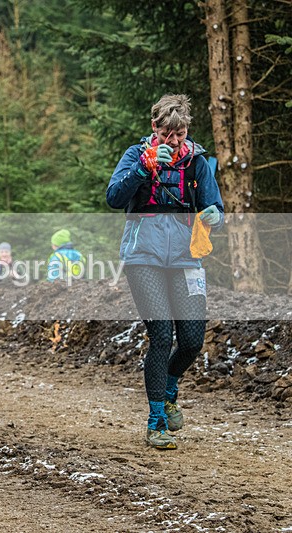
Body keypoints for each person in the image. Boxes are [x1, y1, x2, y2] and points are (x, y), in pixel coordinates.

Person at [106, 94, 223, 450]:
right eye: (166, 134)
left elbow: (214, 205)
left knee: (192, 340)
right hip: (143, 258)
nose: (173, 141)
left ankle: (169, 389)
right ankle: (155, 421)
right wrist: (143, 168)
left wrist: (215, 215)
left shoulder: (197, 161)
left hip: (187, 259)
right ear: (154, 127)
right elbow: (114, 197)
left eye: (180, 133)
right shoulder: (135, 155)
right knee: (161, 336)